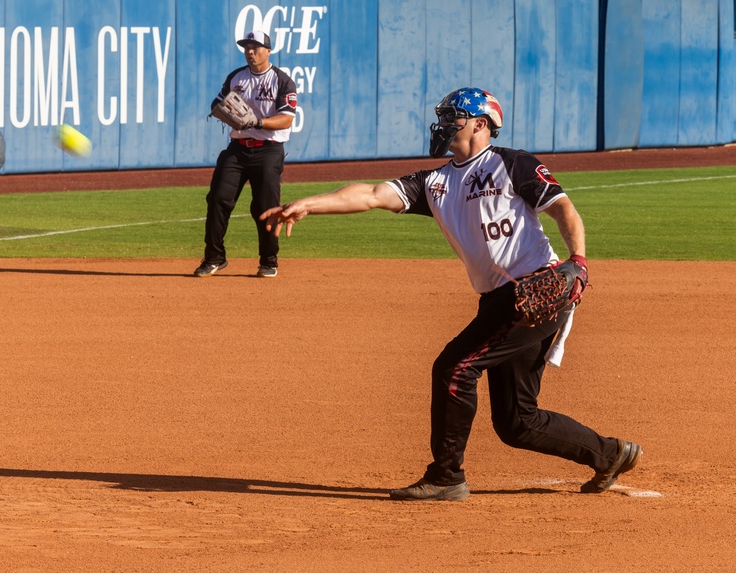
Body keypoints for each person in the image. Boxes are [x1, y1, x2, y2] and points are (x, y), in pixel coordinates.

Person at [260, 87, 642, 501]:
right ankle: (611, 454)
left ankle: (446, 476)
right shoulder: (435, 182)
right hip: (500, 300)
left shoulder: (512, 164)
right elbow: (371, 194)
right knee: (518, 423)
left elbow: (563, 209)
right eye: (444, 117)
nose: (444, 125)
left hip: (538, 289)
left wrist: (579, 260)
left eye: (454, 117)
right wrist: (309, 204)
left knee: (455, 368)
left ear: (481, 124)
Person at [194, 29, 298, 278]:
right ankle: (214, 257)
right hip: (238, 149)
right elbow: (217, 103)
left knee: (265, 207)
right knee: (218, 199)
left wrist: (257, 122)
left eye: (256, 47)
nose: (250, 52)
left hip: (268, 150)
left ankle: (269, 261)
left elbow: (286, 120)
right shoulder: (236, 77)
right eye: (246, 47)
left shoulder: (282, 80)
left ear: (268, 51)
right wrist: (223, 111)